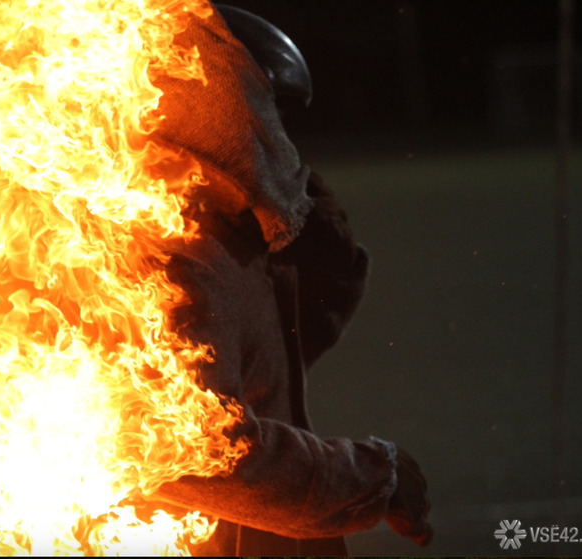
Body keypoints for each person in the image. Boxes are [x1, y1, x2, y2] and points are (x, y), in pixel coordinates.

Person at [149, 3, 433, 555]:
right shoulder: (178, 257)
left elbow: (296, 339)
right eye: (270, 117)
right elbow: (188, 449)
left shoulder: (228, 236)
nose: (278, 138)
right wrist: (373, 479)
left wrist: (312, 221)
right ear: (225, 104)